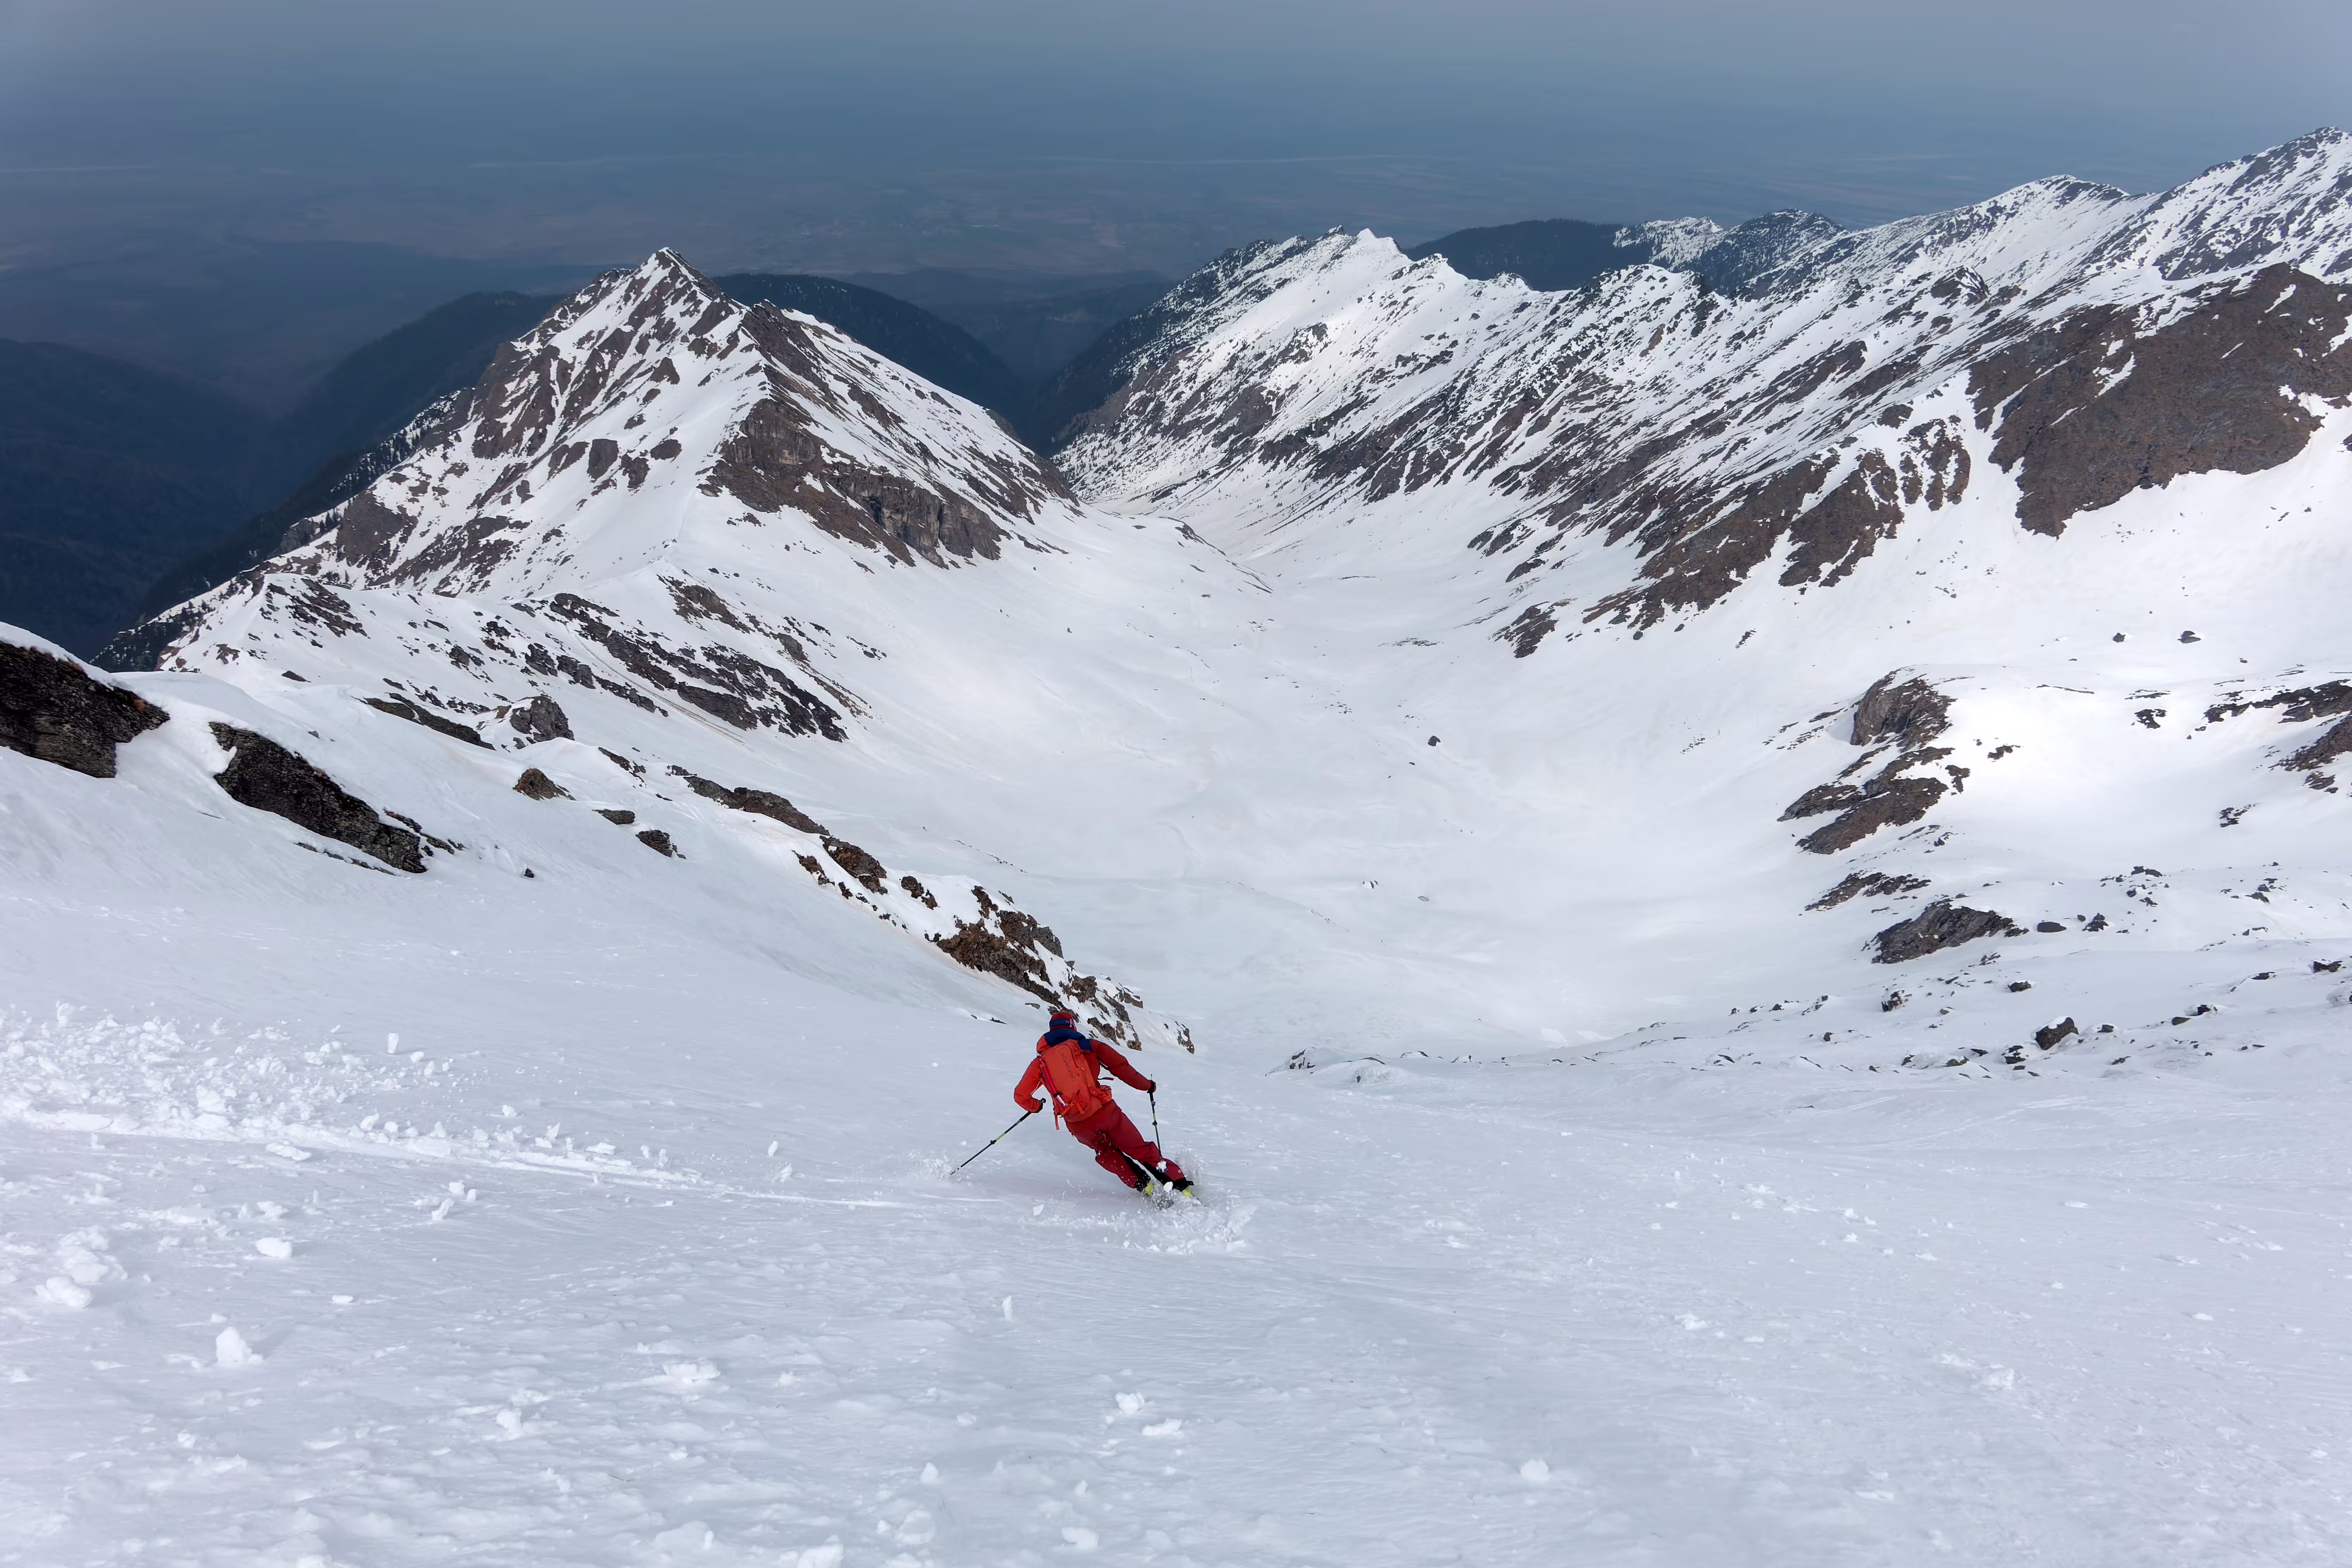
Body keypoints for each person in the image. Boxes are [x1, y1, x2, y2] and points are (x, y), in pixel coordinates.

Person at [1015, 1009, 1191, 1194]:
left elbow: (1020, 1096)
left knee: (1107, 1153)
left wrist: (1036, 1106)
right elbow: (1121, 1068)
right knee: (1139, 1149)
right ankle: (1181, 1187)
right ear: (1072, 1027)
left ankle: (1144, 1187)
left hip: (1077, 1124)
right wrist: (1147, 1086)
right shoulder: (1089, 1046)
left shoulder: (1041, 1062)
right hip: (1105, 1112)